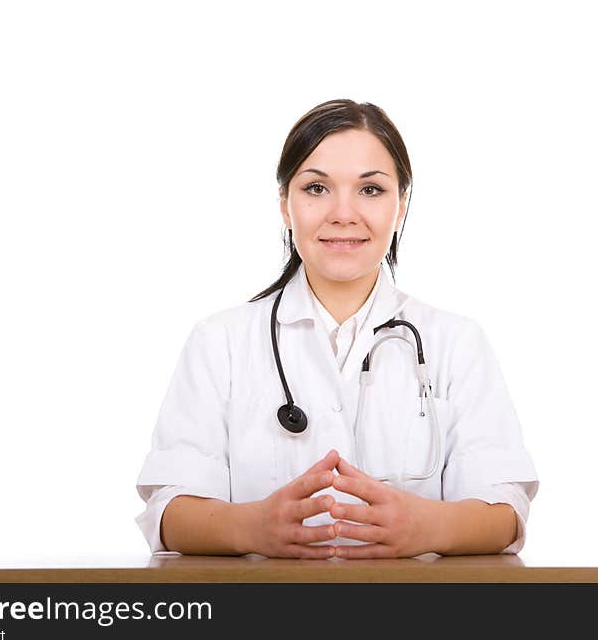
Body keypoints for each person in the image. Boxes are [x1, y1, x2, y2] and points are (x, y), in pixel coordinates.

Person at [134, 98, 539, 559]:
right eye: (316, 188)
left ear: (400, 206)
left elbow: (506, 511)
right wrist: (251, 528)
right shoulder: (219, 342)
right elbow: (169, 511)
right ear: (286, 206)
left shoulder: (456, 342)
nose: (343, 213)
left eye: (370, 190)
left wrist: (427, 528)